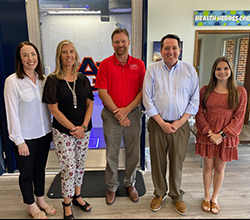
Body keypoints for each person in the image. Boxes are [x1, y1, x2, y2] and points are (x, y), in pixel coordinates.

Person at [142, 34, 199, 215]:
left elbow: (194, 100)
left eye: (174, 48)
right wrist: (161, 122)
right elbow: (147, 99)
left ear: (179, 50)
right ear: (161, 50)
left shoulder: (189, 71)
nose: (171, 52)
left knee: (177, 162)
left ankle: (176, 195)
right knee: (158, 161)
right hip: (157, 124)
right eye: (167, 48)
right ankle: (159, 193)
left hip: (180, 126)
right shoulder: (152, 71)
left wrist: (180, 122)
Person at [4, 41, 57, 219]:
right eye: (25, 55)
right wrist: (19, 140)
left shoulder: (43, 78)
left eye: (33, 54)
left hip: (43, 134)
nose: (30, 59)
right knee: (26, 173)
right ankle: (31, 205)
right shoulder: (12, 82)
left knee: (40, 169)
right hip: (25, 137)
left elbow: (46, 108)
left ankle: (40, 200)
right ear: (20, 59)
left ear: (38, 57)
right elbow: (11, 113)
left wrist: (50, 131)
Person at [42, 39, 94, 219]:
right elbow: (53, 109)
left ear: (75, 55)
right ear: (59, 56)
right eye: (64, 52)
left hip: (84, 131)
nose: (69, 55)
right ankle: (67, 202)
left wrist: (84, 127)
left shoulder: (83, 79)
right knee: (69, 168)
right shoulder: (53, 80)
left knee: (80, 166)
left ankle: (78, 196)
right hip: (64, 132)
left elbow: (90, 104)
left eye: (71, 51)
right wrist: (74, 129)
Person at [95, 27, 146, 205]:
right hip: (111, 116)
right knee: (112, 154)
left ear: (129, 42)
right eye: (117, 42)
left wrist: (127, 111)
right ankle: (111, 186)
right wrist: (118, 113)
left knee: (133, 153)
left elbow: (142, 92)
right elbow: (102, 92)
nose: (120, 45)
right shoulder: (105, 65)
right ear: (112, 44)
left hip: (133, 114)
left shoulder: (138, 65)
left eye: (123, 41)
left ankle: (130, 183)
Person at [195, 56, 247, 214]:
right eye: (218, 69)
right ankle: (205, 196)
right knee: (208, 167)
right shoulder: (205, 90)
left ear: (231, 71)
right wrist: (210, 132)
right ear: (214, 71)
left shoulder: (239, 91)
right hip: (208, 134)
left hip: (226, 136)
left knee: (219, 168)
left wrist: (221, 135)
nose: (222, 72)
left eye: (225, 68)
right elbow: (198, 112)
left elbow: (239, 117)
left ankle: (215, 198)